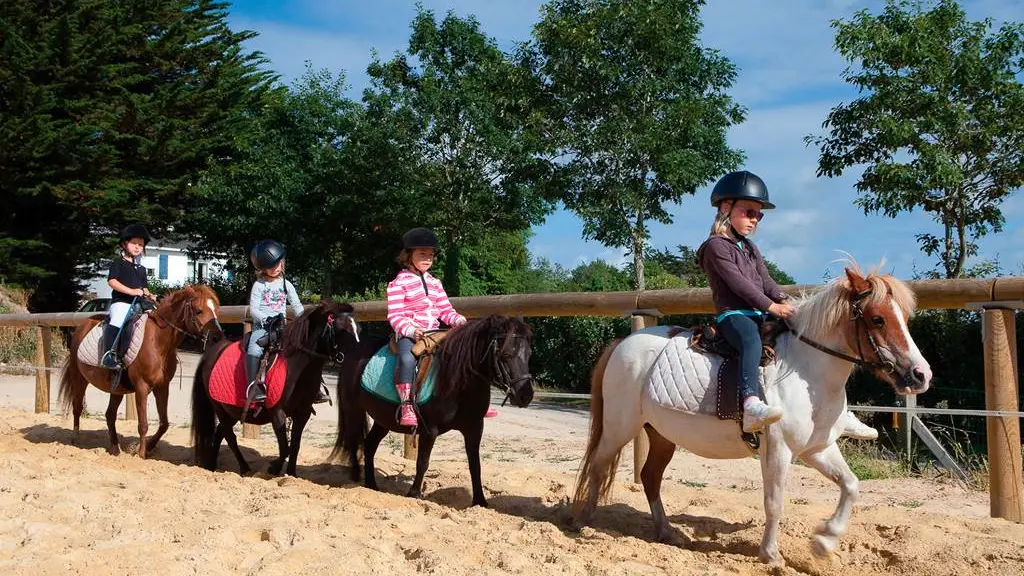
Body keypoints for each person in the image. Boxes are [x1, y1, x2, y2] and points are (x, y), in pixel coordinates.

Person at [696, 171, 879, 439]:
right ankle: (750, 404)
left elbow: (765, 281)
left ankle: (839, 412)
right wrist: (772, 308)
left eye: (759, 215)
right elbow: (740, 286)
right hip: (734, 315)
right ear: (726, 207)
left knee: (812, 342)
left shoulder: (749, 248)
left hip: (759, 312)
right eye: (749, 212)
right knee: (750, 342)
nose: (755, 220)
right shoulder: (716, 247)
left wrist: (784, 301)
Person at [386, 228, 472, 427]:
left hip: (434, 332)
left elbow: (445, 311)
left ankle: (469, 400)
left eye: (431, 255)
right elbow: (395, 315)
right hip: (411, 333)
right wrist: (410, 330)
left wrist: (459, 320)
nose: (428, 258)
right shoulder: (398, 283)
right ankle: (406, 403)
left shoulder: (435, 283)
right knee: (407, 358)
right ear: (408, 256)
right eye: (422, 254)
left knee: (464, 354)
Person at [246, 239, 330, 404]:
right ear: (263, 268)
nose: (276, 268)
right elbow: (253, 309)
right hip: (263, 327)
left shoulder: (286, 284)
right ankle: (254, 387)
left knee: (306, 348)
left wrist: (305, 320)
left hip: (283, 326)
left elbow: (297, 305)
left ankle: (315, 387)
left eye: (278, 263)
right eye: (271, 266)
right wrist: (265, 318)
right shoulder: (259, 285)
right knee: (254, 348)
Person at [101, 224, 156, 369]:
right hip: (121, 303)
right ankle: (109, 354)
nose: (137, 247)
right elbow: (112, 281)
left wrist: (150, 295)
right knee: (118, 320)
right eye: (134, 243)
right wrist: (132, 291)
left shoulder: (142, 269)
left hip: (139, 304)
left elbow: (144, 288)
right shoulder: (118, 263)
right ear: (124, 243)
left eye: (140, 244)